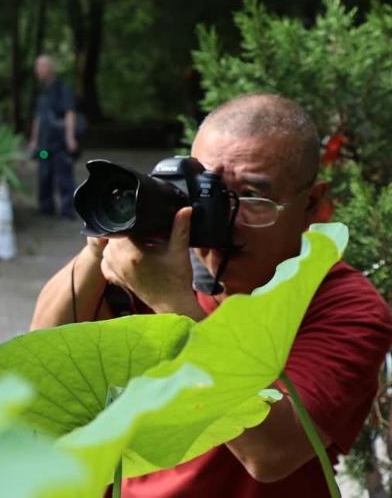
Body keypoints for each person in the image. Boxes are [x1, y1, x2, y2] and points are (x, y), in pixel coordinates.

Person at [31, 93, 392, 497]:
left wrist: (175, 305)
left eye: (252, 197)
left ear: (312, 204)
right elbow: (44, 353)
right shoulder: (159, 265)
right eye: (208, 192)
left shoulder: (345, 305)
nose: (223, 219)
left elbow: (271, 453)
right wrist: (104, 240)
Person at [28, 54, 78, 219]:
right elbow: (38, 118)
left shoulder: (63, 89)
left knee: (64, 176)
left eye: (41, 66)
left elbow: (70, 113)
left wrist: (70, 138)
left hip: (60, 144)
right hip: (44, 146)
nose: (38, 70)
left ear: (50, 68)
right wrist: (34, 140)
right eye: (37, 66)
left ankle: (67, 210)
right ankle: (46, 207)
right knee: (44, 174)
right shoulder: (42, 92)